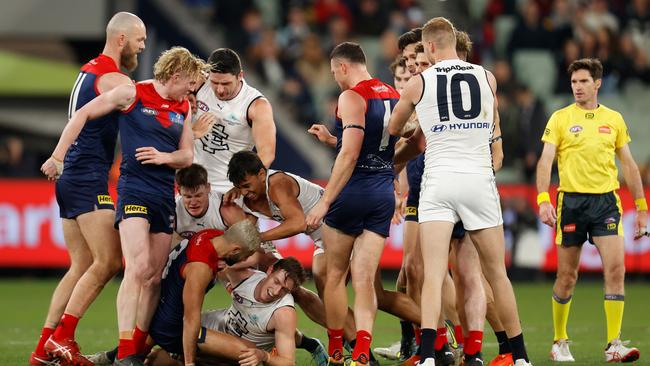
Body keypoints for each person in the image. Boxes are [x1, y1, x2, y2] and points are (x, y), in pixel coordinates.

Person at [43, 46, 207, 366]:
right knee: (136, 267)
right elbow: (83, 113)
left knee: (154, 276)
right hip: (134, 191)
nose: (194, 89)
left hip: (163, 195)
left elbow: (187, 156)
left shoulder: (184, 108)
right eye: (191, 82)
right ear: (176, 75)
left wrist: (165, 158)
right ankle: (127, 352)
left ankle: (132, 347)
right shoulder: (132, 93)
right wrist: (58, 156)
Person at [387, 17, 531, 366]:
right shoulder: (488, 77)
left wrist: (418, 121)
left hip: (440, 181)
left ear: (431, 47)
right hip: (479, 181)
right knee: (496, 274)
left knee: (434, 274)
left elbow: (395, 128)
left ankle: (428, 357)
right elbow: (491, 117)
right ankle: (521, 356)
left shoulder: (419, 82)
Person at [33, 12, 146, 366]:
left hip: (72, 178)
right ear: (122, 39)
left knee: (81, 264)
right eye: (140, 39)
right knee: (110, 260)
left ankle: (42, 351)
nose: (142, 46)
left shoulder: (88, 69)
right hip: (87, 177)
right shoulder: (113, 78)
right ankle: (62, 340)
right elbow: (141, 107)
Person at [536, 58, 645, 363]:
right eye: (573, 82)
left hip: (606, 203)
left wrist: (642, 208)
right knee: (567, 276)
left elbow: (629, 165)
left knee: (616, 270)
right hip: (570, 202)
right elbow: (545, 161)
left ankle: (613, 344)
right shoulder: (559, 118)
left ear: (597, 83)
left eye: (583, 82)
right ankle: (559, 340)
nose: (577, 87)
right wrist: (543, 198)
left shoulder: (614, 119)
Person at [305, 42, 400, 366]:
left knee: (334, 275)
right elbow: (414, 142)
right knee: (364, 279)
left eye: (334, 73)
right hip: (382, 194)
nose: (335, 79)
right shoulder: (393, 93)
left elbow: (351, 154)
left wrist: (324, 201)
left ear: (344, 67)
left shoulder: (351, 96)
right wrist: (335, 140)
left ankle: (335, 351)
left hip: (351, 192)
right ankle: (361, 352)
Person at [192, 48, 276, 193]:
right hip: (191, 183)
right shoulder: (198, 83)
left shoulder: (256, 105)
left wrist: (242, 186)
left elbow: (267, 154)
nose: (219, 90)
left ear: (240, 76)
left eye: (226, 84)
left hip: (228, 188)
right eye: (214, 82)